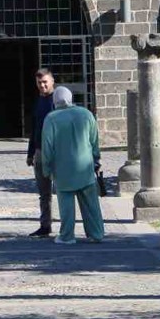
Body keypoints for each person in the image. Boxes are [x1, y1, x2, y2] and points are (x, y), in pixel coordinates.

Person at [40, 87, 104, 245]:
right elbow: (94, 140)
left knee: (66, 206)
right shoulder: (86, 114)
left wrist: (46, 168)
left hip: (62, 169)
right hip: (85, 166)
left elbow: (47, 146)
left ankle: (67, 235)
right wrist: (96, 159)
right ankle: (96, 233)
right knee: (91, 203)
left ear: (55, 101)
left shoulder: (51, 118)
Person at [27, 68, 56, 238]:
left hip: (56, 151)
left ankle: (68, 225)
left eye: (45, 82)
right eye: (39, 83)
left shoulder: (57, 101)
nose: (42, 85)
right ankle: (45, 225)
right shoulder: (38, 101)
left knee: (64, 190)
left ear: (52, 81)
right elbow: (35, 128)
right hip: (39, 151)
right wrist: (30, 153)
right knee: (43, 192)